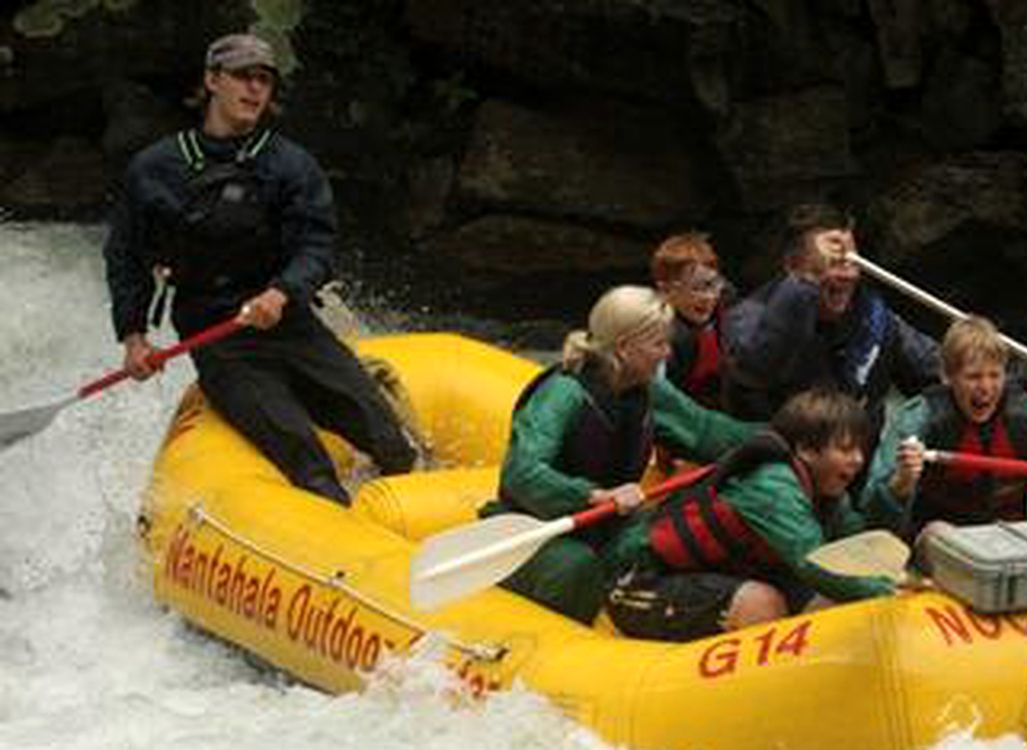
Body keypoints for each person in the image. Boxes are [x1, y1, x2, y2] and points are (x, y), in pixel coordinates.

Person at [104, 33, 415, 505]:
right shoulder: (155, 168)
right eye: (242, 77)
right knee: (307, 461)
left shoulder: (290, 164)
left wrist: (283, 292)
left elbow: (317, 243)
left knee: (387, 439)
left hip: (290, 322)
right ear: (212, 80)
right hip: (219, 336)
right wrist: (134, 337)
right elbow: (125, 255)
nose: (254, 90)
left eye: (264, 80)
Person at [485, 285, 757, 623]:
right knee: (575, 565)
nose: (667, 353)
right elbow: (522, 472)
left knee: (666, 533)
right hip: (533, 527)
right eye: (658, 343)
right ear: (625, 348)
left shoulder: (646, 390)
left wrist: (787, 432)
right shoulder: (563, 393)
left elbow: (705, 431)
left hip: (603, 523)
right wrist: (593, 495)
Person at [605, 388, 896, 642]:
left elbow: (859, 541)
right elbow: (814, 563)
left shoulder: (829, 492)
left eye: (860, 449)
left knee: (827, 603)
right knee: (763, 605)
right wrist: (889, 592)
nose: (858, 459)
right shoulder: (772, 487)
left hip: (709, 574)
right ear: (806, 449)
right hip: (638, 582)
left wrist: (898, 492)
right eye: (845, 449)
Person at [861, 315, 1027, 542]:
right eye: (973, 377)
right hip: (935, 542)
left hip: (1007, 540)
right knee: (938, 531)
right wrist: (901, 483)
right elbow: (873, 518)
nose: (986, 387)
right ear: (947, 376)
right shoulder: (919, 416)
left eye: (995, 375)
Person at [722, 203, 941, 436]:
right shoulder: (748, 317)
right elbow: (756, 371)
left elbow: (934, 370)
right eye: (833, 263)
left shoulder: (872, 315)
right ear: (793, 266)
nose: (847, 275)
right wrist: (806, 283)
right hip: (784, 460)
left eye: (852, 262)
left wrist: (971, 358)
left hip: (860, 457)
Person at [651, 231, 732, 411]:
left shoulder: (721, 306)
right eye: (696, 288)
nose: (708, 297)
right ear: (665, 290)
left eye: (712, 284)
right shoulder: (667, 337)